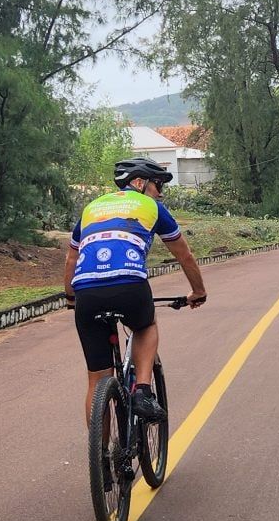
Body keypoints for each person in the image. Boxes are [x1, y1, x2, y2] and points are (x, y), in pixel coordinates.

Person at [63, 157, 207, 427]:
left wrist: (72, 299)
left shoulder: (92, 208)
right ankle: (142, 390)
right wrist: (198, 291)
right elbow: (184, 255)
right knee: (146, 325)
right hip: (130, 284)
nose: (160, 192)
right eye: (157, 185)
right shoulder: (151, 206)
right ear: (139, 183)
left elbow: (71, 260)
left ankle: (102, 459)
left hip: (86, 292)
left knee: (97, 379)